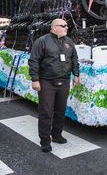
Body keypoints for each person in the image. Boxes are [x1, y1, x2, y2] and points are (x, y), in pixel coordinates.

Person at [28, 19, 80, 152]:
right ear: (54, 27)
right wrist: (35, 79)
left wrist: (76, 75)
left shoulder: (69, 41)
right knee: (46, 112)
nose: (66, 27)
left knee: (61, 111)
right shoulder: (42, 41)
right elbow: (34, 61)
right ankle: (45, 141)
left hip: (64, 82)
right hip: (47, 82)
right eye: (63, 26)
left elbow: (74, 59)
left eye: (67, 26)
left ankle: (57, 135)